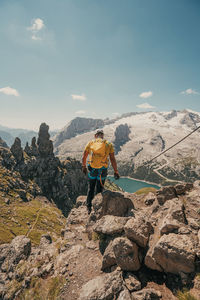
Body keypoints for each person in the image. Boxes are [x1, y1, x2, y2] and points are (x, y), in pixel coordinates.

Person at [82, 129, 120, 213]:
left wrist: (84, 166)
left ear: (95, 136)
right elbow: (112, 159)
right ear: (102, 135)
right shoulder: (108, 144)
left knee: (91, 187)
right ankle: (97, 207)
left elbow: (84, 156)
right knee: (99, 188)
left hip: (92, 169)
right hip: (102, 170)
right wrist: (116, 171)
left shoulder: (90, 143)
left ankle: (88, 207)